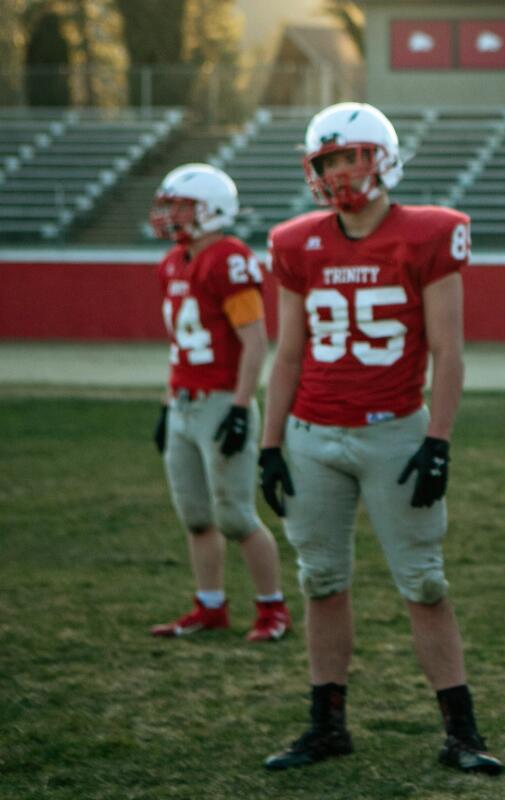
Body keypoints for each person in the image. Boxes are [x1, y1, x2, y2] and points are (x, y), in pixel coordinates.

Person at [257, 101, 501, 775]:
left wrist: (439, 438)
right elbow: (286, 355)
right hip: (312, 435)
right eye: (328, 161)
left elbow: (449, 351)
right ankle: (326, 725)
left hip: (395, 433)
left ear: (383, 157)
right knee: (321, 579)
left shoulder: (427, 233)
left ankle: (462, 731)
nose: (339, 172)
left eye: (351, 156)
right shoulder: (295, 242)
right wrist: (271, 443)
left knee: (423, 582)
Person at [149, 163, 292, 643]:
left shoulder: (228, 258)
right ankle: (209, 605)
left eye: (181, 205)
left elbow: (254, 343)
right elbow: (182, 347)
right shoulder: (174, 260)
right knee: (195, 515)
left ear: (211, 208)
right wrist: (168, 404)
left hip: (219, 402)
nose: (171, 214)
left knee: (235, 516)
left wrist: (239, 405)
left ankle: (272, 608)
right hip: (184, 402)